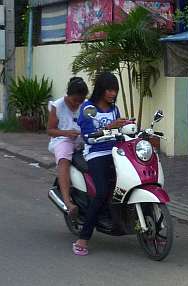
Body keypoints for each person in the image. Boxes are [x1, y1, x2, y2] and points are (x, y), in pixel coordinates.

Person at [73, 72, 128, 256]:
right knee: (102, 192)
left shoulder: (114, 108)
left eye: (115, 90)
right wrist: (110, 126)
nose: (113, 93)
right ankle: (83, 238)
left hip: (115, 153)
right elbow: (88, 138)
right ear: (101, 90)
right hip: (95, 154)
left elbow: (119, 132)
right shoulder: (89, 108)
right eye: (109, 90)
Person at [47, 77, 89, 218]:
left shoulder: (87, 105)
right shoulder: (57, 106)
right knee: (64, 160)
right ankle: (67, 201)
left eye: (80, 100)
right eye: (74, 100)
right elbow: (50, 130)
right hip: (62, 139)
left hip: (83, 139)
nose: (77, 103)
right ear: (68, 95)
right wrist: (66, 132)